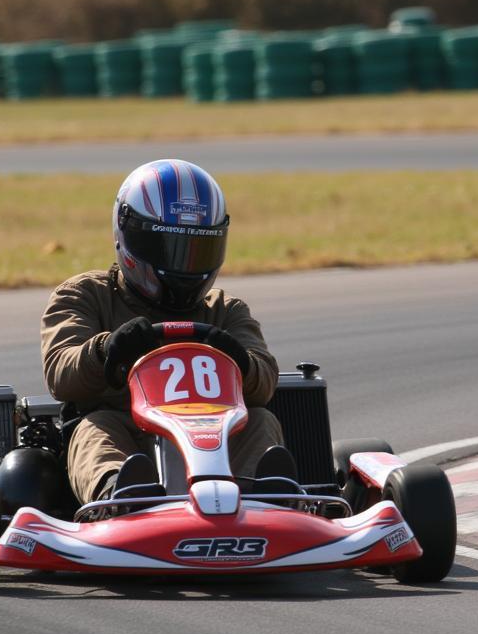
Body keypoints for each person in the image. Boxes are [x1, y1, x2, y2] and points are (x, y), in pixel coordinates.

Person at [41, 158, 292, 505]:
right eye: (168, 249)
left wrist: (241, 362)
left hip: (216, 436)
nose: (184, 266)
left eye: (197, 250)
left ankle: (268, 502)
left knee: (261, 419)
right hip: (127, 433)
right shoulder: (85, 295)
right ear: (128, 233)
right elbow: (60, 373)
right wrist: (106, 349)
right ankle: (121, 500)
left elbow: (265, 381)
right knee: (94, 427)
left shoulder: (225, 309)